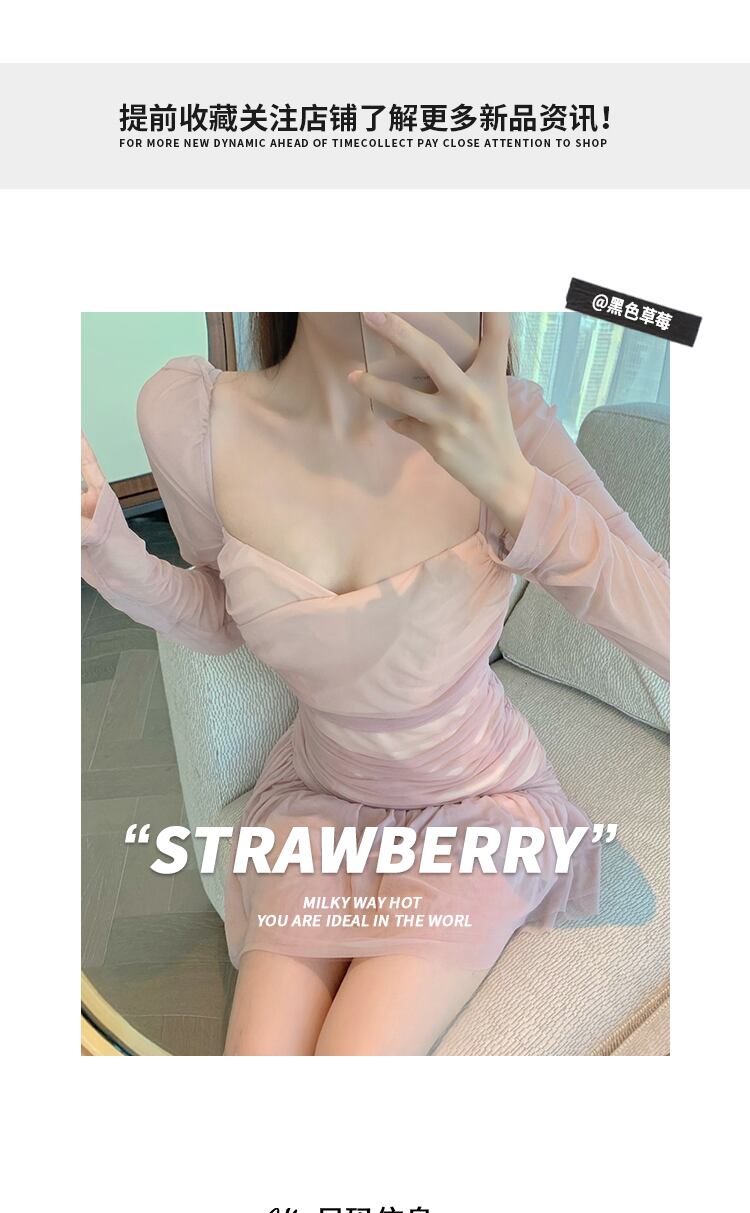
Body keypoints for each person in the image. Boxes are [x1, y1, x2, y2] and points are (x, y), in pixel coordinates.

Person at [81, 311, 669, 1055]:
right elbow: (223, 614)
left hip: (480, 806)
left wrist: (515, 488)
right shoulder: (191, 419)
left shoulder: (508, 426)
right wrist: (112, 556)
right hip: (318, 794)